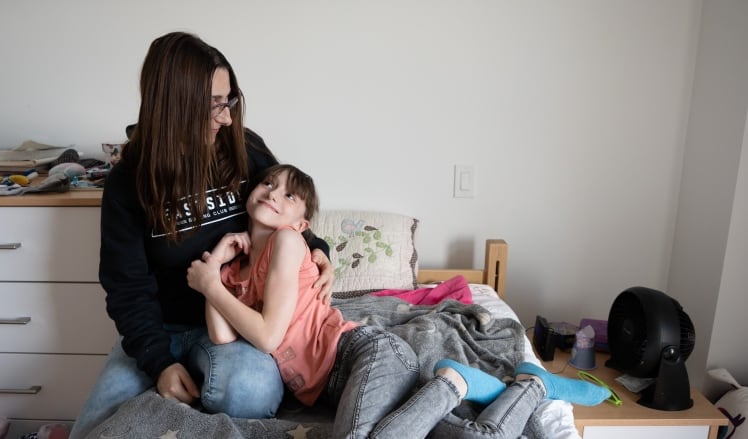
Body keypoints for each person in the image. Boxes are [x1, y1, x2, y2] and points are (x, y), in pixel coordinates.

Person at [187, 164, 611, 438]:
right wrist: (215, 274)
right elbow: (222, 338)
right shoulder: (232, 273)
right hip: (338, 388)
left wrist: (209, 286)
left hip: (366, 356)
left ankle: (453, 383)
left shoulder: (286, 241)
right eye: (267, 183)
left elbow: (267, 335)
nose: (273, 193)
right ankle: (529, 385)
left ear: (302, 224)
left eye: (288, 194)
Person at [70, 32, 335, 438]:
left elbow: (287, 205)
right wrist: (159, 363)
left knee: (250, 392)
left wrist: (317, 251)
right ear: (174, 105)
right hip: (165, 329)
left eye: (228, 101)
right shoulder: (129, 180)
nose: (227, 117)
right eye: (215, 105)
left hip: (236, 326)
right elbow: (127, 286)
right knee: (93, 428)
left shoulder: (243, 148)